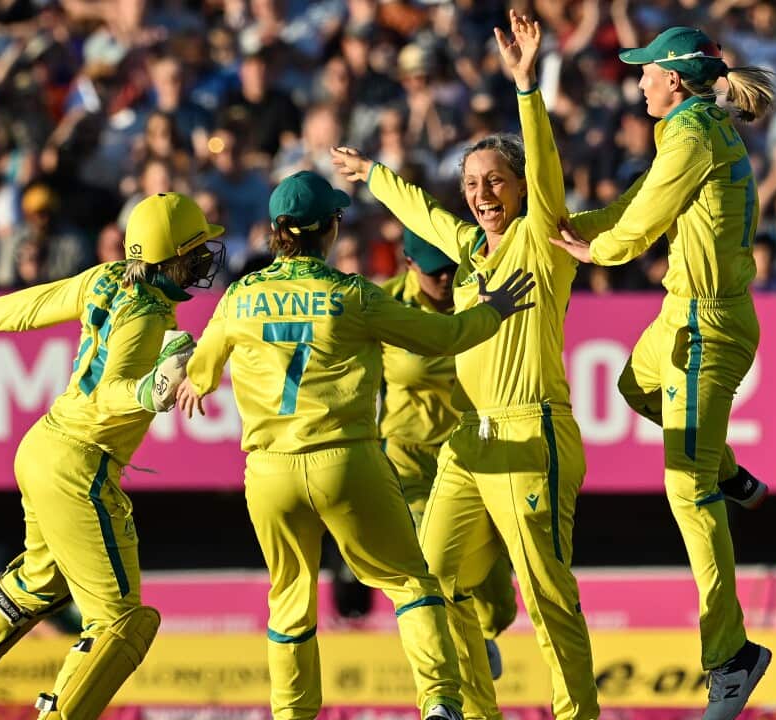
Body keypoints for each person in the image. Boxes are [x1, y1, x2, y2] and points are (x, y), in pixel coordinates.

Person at [174, 170, 535, 720]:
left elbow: (197, 372)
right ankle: (440, 701)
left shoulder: (241, 295)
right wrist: (494, 310)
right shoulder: (352, 294)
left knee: (290, 599)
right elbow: (445, 336)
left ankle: (292, 714)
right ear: (331, 230)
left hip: (268, 472)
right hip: (347, 459)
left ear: (277, 232)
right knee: (411, 580)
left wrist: (188, 379)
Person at [332, 13, 598, 719]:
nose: (482, 193)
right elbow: (422, 213)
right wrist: (372, 174)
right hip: (470, 442)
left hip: (530, 434)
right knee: (431, 583)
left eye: (497, 180)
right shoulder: (470, 250)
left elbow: (545, 173)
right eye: (473, 181)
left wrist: (525, 87)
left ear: (521, 188)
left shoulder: (540, 240)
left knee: (547, 598)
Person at [0, 192, 225, 718]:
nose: (201, 263)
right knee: (122, 621)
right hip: (81, 462)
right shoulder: (148, 316)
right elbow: (110, 395)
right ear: (170, 258)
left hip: (43, 448)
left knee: (43, 577)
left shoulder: (106, 276)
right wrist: (151, 390)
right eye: (195, 254)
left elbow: (33, 306)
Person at [551, 26, 776, 720]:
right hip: (684, 314)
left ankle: (731, 654)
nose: (638, 82)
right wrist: (566, 225)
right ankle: (733, 474)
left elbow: (637, 230)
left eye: (646, 72)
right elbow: (633, 206)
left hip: (705, 324)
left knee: (686, 488)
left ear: (674, 80)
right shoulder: (694, 124)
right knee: (633, 389)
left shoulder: (687, 135)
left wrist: (588, 251)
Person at [379, 230, 518, 680]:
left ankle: (483, 634)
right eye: (433, 270)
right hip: (410, 460)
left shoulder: (481, 296)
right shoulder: (381, 306)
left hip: (473, 454)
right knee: (433, 565)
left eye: (450, 269)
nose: (443, 278)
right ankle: (445, 682)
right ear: (409, 267)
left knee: (498, 597)